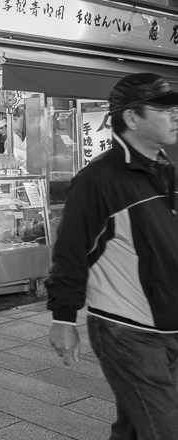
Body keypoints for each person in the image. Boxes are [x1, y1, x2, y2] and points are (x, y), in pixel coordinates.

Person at [47, 73, 178, 438]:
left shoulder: (165, 169)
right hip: (128, 329)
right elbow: (71, 252)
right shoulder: (99, 179)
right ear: (132, 118)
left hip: (168, 322)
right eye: (164, 109)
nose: (176, 115)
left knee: (136, 427)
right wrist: (64, 318)